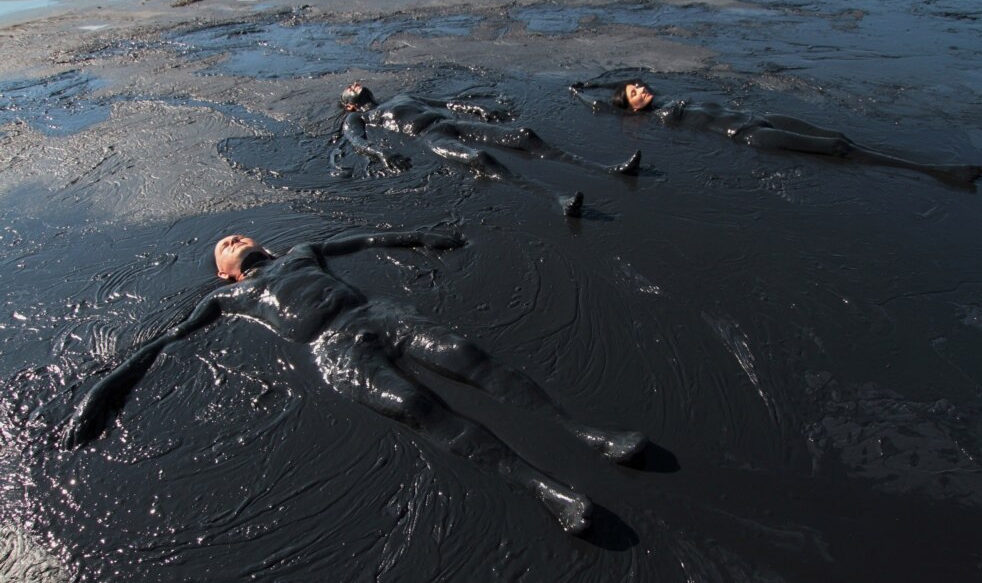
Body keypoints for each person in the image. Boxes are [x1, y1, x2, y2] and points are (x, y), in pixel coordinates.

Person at [62, 230, 649, 533]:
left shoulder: (301, 253)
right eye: (226, 244)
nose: (236, 238)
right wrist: (104, 391)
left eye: (239, 233)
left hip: (378, 314)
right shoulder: (226, 301)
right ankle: (549, 492)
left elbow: (364, 238)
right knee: (421, 409)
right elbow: (166, 343)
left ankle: (589, 433)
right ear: (223, 271)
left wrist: (423, 236)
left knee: (474, 361)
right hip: (334, 352)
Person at [570, 78, 982, 186]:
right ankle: (939, 172)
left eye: (640, 85)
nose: (641, 89)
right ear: (628, 107)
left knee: (838, 133)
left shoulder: (665, 103)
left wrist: (602, 82)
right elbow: (601, 109)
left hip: (760, 119)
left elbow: (617, 87)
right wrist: (581, 92)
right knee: (837, 148)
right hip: (748, 135)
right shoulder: (649, 119)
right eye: (633, 92)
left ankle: (936, 169)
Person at [334, 82, 642, 216]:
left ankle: (608, 170)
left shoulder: (401, 95)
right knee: (479, 158)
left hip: (448, 123)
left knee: (524, 135)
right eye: (352, 86)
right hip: (430, 136)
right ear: (348, 103)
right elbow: (357, 142)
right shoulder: (358, 116)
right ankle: (556, 198)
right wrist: (381, 154)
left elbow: (444, 103)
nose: (358, 83)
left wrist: (475, 109)